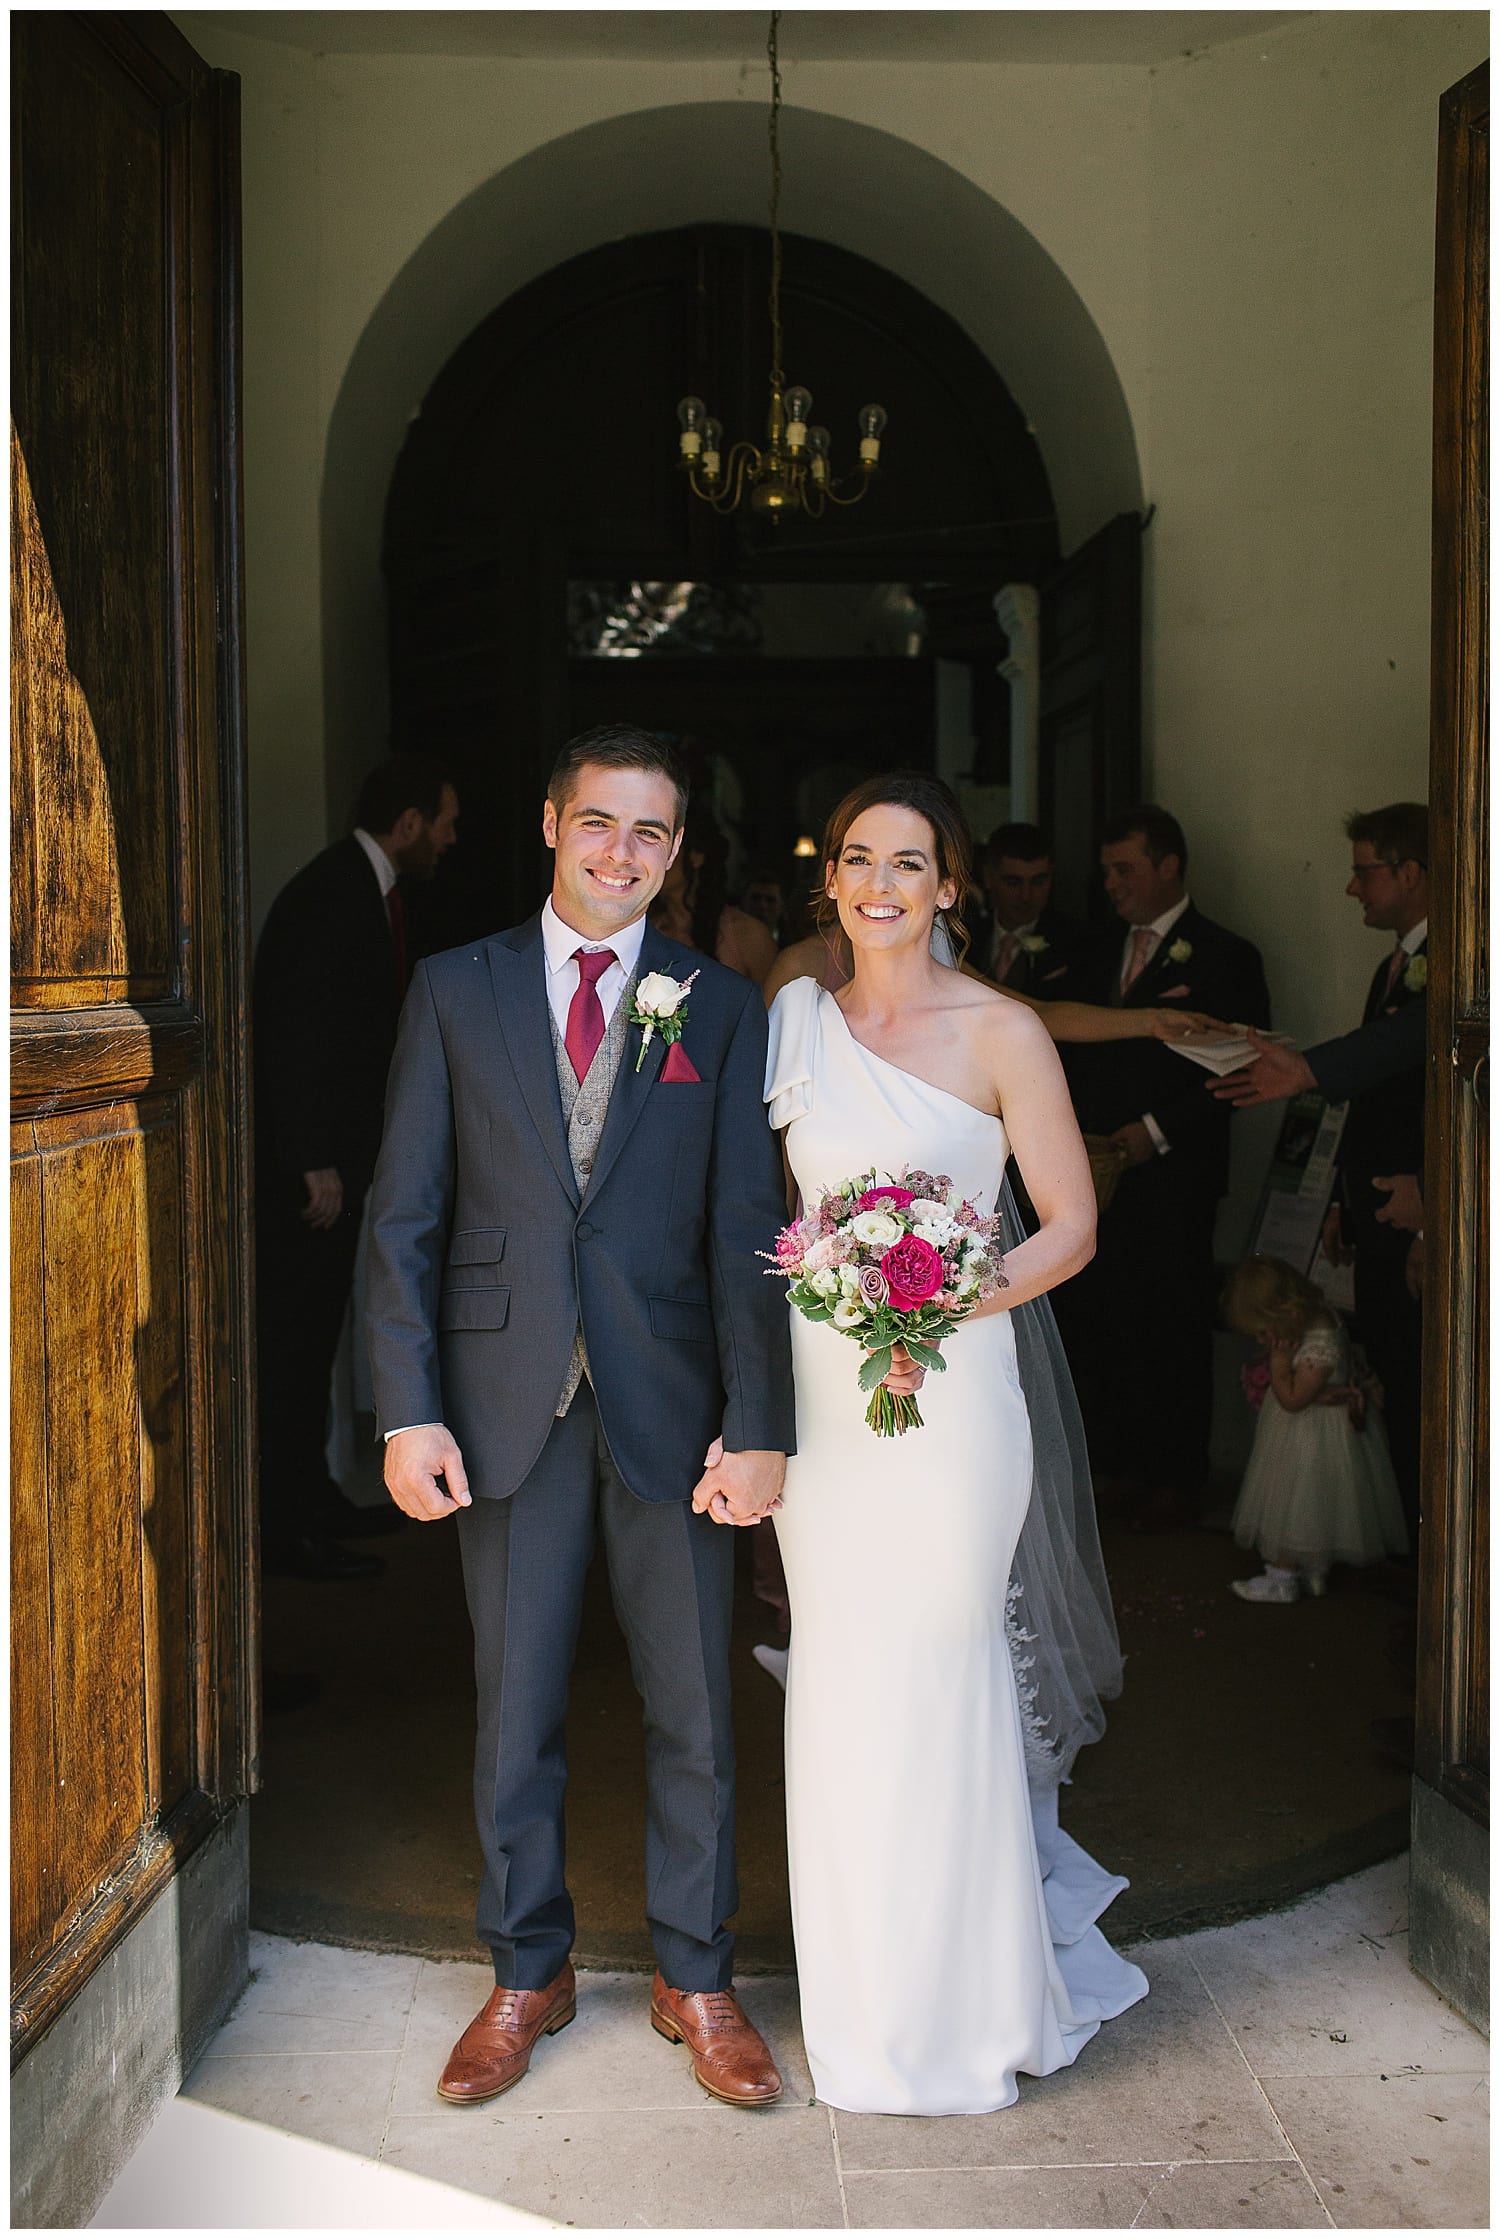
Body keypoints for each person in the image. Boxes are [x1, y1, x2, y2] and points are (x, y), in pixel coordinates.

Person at [366, 724, 794, 2111]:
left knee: (697, 1713)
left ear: (681, 852)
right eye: (599, 822)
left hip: (673, 1402)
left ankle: (696, 1970)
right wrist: (406, 1406)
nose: (622, 853)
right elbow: (406, 1215)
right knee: (517, 1706)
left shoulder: (717, 1005)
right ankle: (526, 1968)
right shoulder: (452, 987)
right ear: (552, 822)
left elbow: (746, 1225)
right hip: (503, 1400)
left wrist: (759, 1417)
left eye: (652, 833)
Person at [755, 770, 1147, 2116]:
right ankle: (861, 2007)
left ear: (950, 885)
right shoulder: (793, 1020)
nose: (879, 884)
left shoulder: (1004, 1029)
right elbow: (760, 1207)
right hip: (822, 1410)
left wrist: (939, 1291)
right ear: (833, 879)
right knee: (844, 1684)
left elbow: (1070, 1225)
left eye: (908, 862)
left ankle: (971, 2010)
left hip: (955, 1401)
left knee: (942, 1674)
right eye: (857, 858)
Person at [253, 754, 458, 1581]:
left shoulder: (364, 890)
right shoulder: (330, 894)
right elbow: (294, 1033)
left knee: (322, 1331)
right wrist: (313, 1159)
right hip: (313, 1171)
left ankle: (313, 1496)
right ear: (407, 822)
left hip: (341, 1160)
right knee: (296, 1343)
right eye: (443, 821)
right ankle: (286, 1522)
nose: (451, 838)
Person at [1053, 806, 1271, 1531]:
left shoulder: (1225, 956)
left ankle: (1177, 1473)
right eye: (1107, 869)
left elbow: (1236, 1070)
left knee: (1171, 1319)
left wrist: (1152, 1132)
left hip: (1174, 1172)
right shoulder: (1091, 951)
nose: (1111, 883)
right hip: (1093, 1167)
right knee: (1104, 1314)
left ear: (1170, 866)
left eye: (1127, 869)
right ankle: (1117, 1463)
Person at [1219, 806, 1427, 1533]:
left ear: (1409, 872)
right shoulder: (1391, 966)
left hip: (1425, 1211)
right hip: (1371, 1209)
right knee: (1394, 1369)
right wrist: (1340, 1200)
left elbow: (1422, 1063)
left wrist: (1435, 1202)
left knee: (1424, 1383)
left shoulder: (1457, 965)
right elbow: (1377, 1097)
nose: (1351, 888)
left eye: (1364, 869)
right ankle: (1412, 1560)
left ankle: (1431, 1570)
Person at [1222, 1256, 1407, 1602]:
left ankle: (1283, 1576)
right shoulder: (1320, 1318)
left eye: (1264, 1331)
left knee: (1298, 1503)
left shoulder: (1317, 1342)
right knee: (1317, 1501)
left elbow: (1293, 1398)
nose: (1264, 1341)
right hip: (1318, 1432)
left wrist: (1278, 1365)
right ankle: (1314, 1570)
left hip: (1310, 1437)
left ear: (1283, 1311)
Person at [650, 807, 779, 986]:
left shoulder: (747, 934)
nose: (653, 859)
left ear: (696, 857)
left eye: (667, 848)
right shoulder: (647, 928)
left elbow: (771, 1010)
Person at [978, 820, 1090, 995]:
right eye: (1013, 882)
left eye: (1038, 882)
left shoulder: (1077, 942)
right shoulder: (965, 938)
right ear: (988, 878)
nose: (1026, 896)